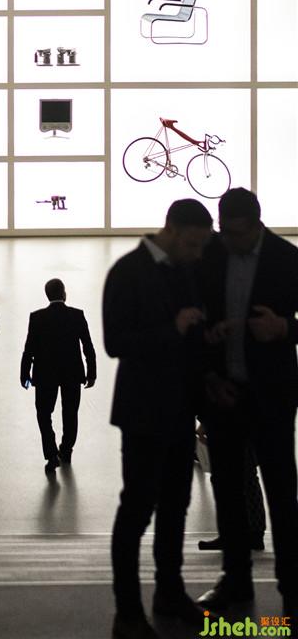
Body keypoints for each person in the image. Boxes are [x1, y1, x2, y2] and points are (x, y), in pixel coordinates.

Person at [103, 198, 213, 639]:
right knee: (137, 509)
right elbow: (115, 343)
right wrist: (175, 328)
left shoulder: (179, 269)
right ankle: (128, 612)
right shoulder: (127, 272)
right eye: (193, 244)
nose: (198, 254)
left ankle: (169, 592)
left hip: (178, 408)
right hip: (144, 413)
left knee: (174, 506)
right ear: (172, 231)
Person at [196, 187, 298, 623]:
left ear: (257, 224)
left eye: (237, 234)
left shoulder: (286, 259)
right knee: (228, 487)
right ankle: (235, 578)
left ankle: (291, 585)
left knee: (281, 489)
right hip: (224, 392)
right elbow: (197, 311)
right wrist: (208, 356)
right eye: (225, 232)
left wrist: (285, 328)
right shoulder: (213, 255)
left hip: (271, 394)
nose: (230, 241)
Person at [20, 277, 96, 473]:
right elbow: (88, 346)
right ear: (64, 293)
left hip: (45, 374)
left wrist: (25, 374)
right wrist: (91, 373)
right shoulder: (77, 315)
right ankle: (66, 449)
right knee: (70, 413)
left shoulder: (37, 318)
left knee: (44, 413)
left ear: (47, 295)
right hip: (72, 373)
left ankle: (51, 454)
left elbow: (29, 349)